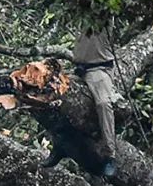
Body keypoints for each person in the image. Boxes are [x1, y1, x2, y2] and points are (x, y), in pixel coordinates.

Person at [44, 26, 120, 177]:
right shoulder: (80, 9)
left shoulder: (103, 14)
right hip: (79, 69)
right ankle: (60, 144)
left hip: (99, 70)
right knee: (51, 93)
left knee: (103, 103)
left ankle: (110, 155)